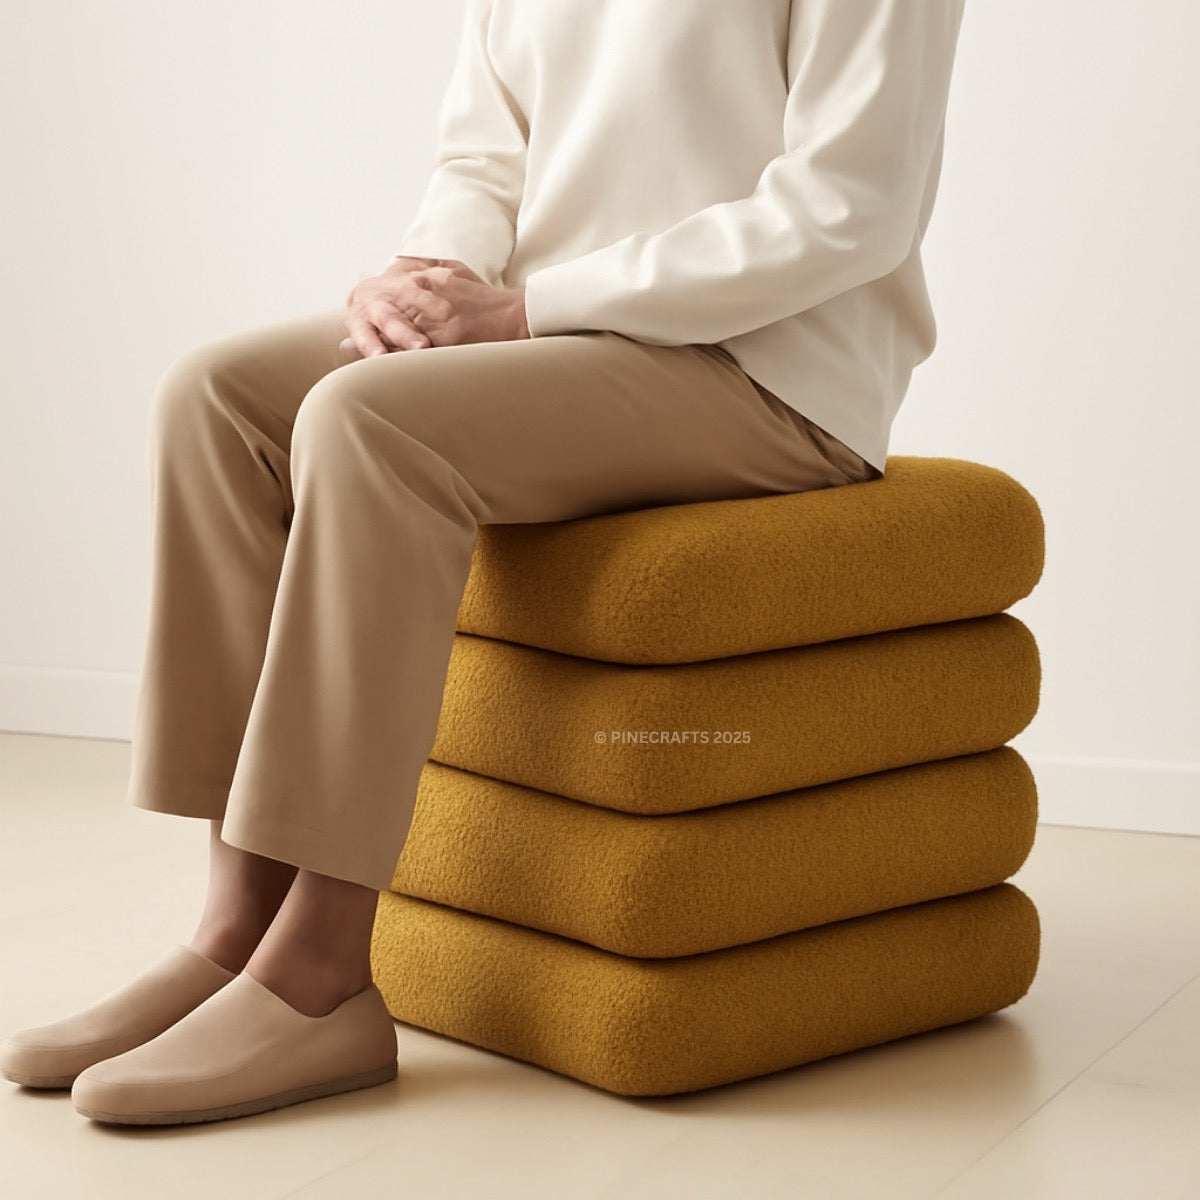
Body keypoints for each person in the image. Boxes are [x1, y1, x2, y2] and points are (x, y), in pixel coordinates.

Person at [1, 0, 965, 1124]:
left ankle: (318, 979)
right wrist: (424, 275)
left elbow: (850, 209)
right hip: (554, 333)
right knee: (218, 401)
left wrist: (525, 309)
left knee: (369, 425)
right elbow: (485, 145)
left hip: (769, 369)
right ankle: (233, 936)